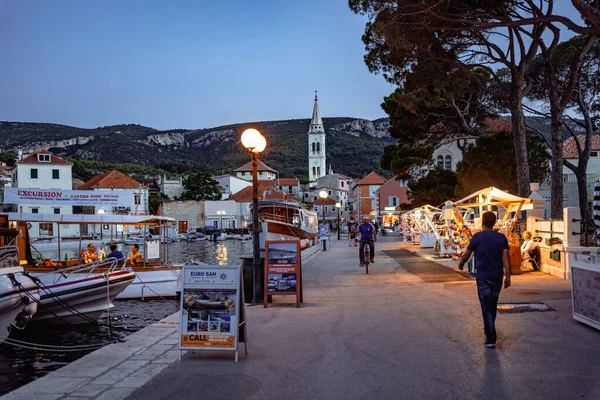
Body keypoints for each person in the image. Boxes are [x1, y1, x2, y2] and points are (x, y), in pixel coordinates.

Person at [458, 211, 511, 348]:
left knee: (485, 306)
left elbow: (467, 253)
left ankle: (491, 337)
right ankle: (489, 330)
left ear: (482, 222)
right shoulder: (501, 238)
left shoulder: (477, 237)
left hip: (483, 277)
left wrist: (461, 264)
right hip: (497, 277)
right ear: (494, 222)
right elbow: (506, 257)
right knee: (492, 304)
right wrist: (508, 276)